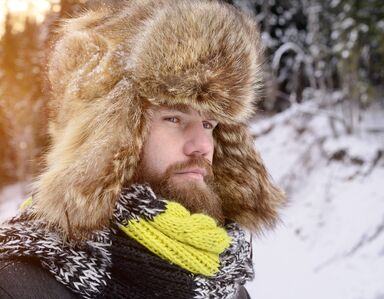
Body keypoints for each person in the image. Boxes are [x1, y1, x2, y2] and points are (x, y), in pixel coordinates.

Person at [0, 0, 285, 298]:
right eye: (174, 118)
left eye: (209, 125)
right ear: (109, 133)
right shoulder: (18, 284)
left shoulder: (224, 281)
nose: (202, 146)